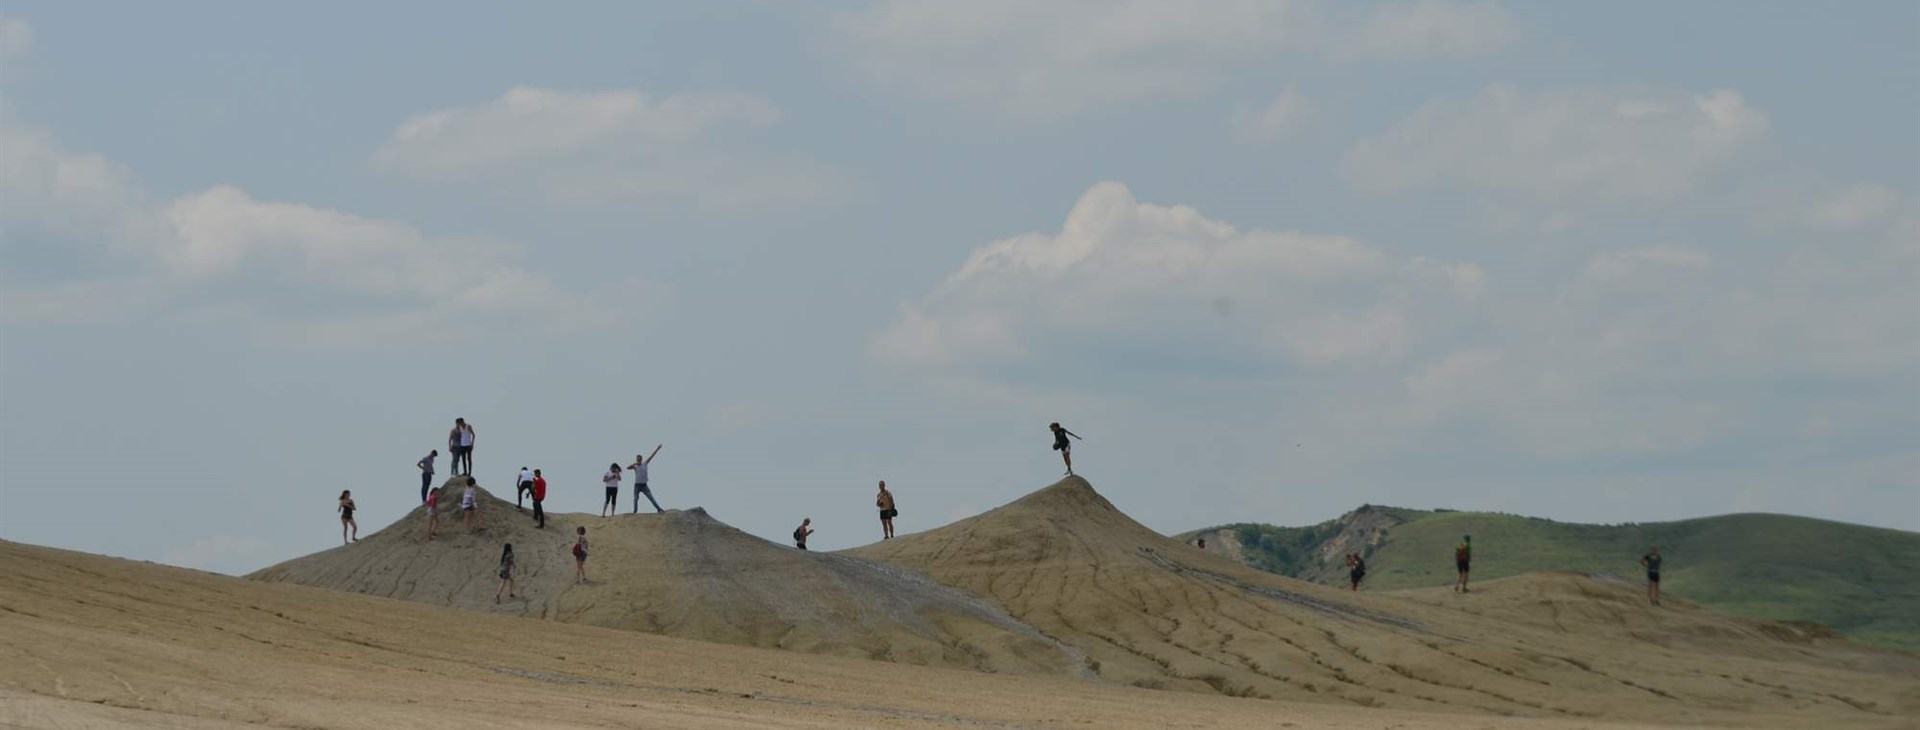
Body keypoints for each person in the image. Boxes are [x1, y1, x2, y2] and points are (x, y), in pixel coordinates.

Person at [628, 446, 663, 514]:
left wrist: (657, 449)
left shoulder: (645, 463)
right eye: (637, 459)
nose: (638, 460)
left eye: (639, 459)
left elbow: (651, 456)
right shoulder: (635, 466)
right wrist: (635, 464)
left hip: (644, 486)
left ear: (641, 459)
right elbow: (628, 468)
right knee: (635, 499)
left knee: (651, 498)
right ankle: (635, 511)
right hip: (637, 486)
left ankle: (658, 509)